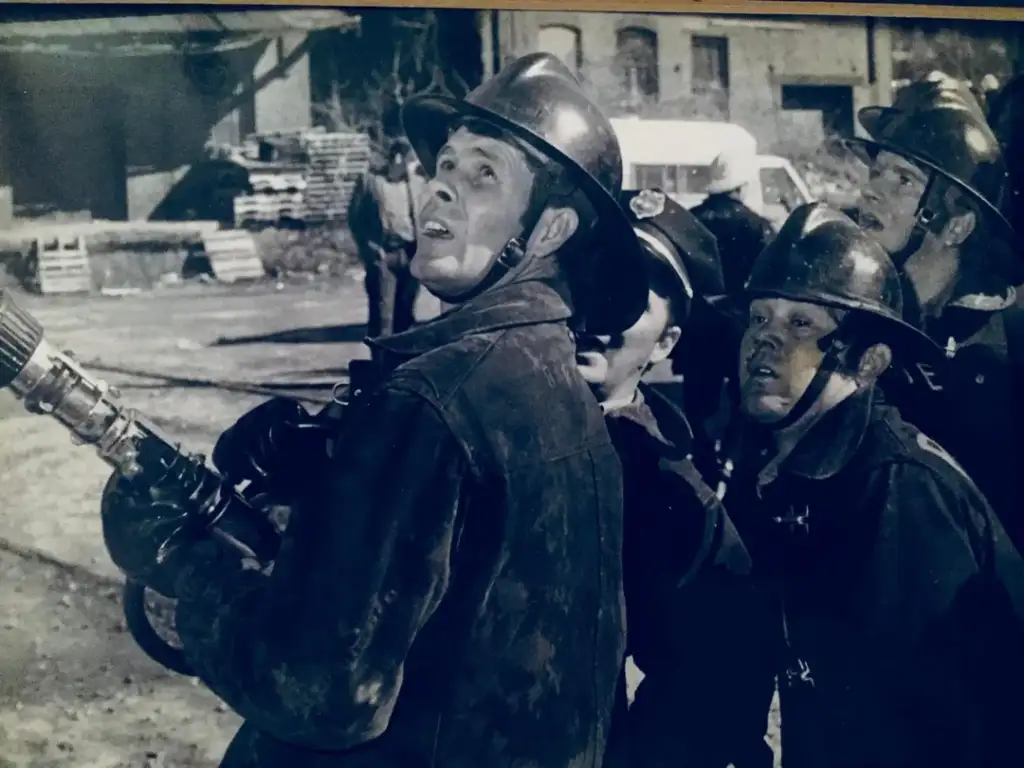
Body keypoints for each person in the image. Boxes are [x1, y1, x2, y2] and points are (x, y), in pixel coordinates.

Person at [99, 53, 650, 768]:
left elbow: (325, 692)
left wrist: (180, 561)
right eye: (444, 166)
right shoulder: (554, 380)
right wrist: (333, 485)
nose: (441, 190)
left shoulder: (432, 399)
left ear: (549, 232)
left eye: (484, 173)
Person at [719, 203, 1024, 768]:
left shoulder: (900, 493)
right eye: (759, 318)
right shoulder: (787, 465)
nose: (765, 340)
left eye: (801, 324)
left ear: (869, 363)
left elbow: (925, 725)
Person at [575, 188, 760, 768]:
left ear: (667, 343)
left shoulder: (663, 483)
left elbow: (716, 667)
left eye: (628, 303)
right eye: (590, 286)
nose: (596, 316)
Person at [845, 70, 1024, 551]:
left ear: (957, 225)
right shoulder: (858, 319)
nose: (871, 191)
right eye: (876, 172)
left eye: (903, 180)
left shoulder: (1003, 345)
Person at [347, 138, 426, 338]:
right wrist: (369, 251)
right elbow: (355, 219)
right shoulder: (370, 182)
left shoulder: (417, 184)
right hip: (383, 256)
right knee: (383, 316)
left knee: (406, 315)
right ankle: (380, 366)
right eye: (410, 161)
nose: (413, 166)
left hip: (410, 254)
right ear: (398, 158)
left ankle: (401, 365)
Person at [690, 144, 776, 296]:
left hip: (696, 313)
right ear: (743, 187)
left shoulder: (688, 219)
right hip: (738, 312)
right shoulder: (757, 226)